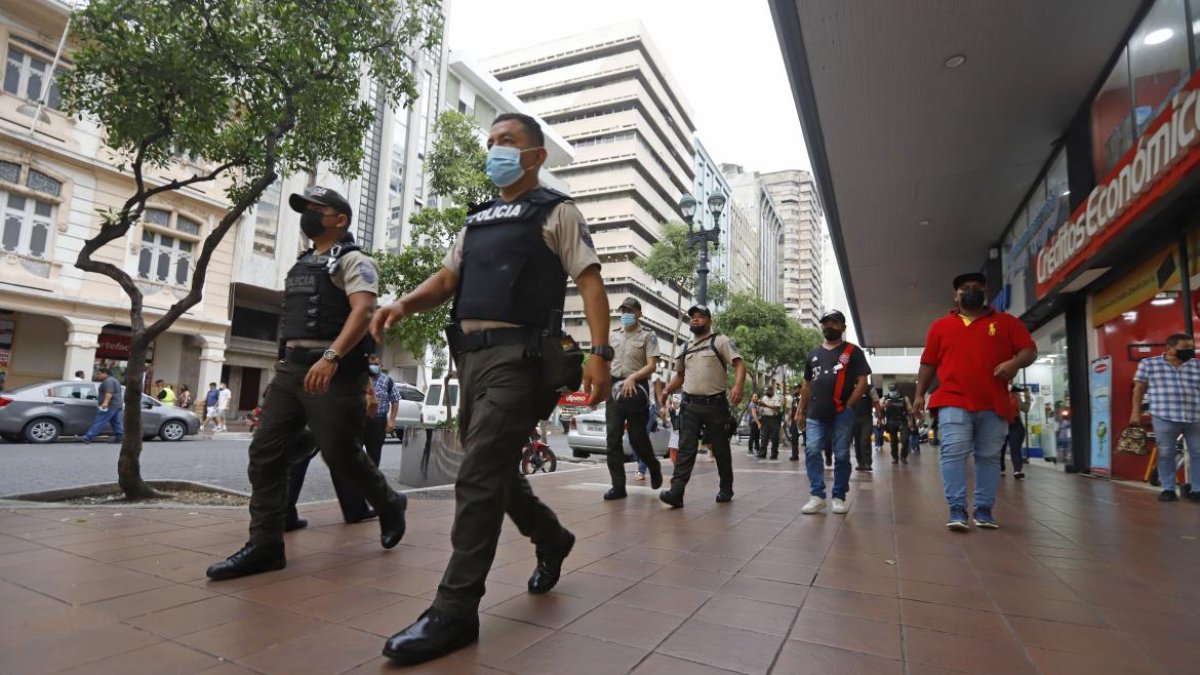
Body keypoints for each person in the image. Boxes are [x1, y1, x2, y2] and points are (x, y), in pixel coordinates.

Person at [372, 113, 612, 665]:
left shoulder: (557, 212)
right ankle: (551, 537)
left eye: (507, 141)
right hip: (471, 360)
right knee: (494, 468)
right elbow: (447, 280)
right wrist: (404, 303)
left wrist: (600, 355)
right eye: (491, 142)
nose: (495, 150)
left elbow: (590, 282)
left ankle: (455, 609)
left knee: (478, 473)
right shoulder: (477, 221)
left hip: (521, 359)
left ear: (536, 156)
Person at [206, 184, 409, 582]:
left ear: (340, 219)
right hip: (291, 370)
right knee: (265, 452)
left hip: (334, 370)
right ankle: (265, 545)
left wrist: (331, 358)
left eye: (317, 209)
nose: (308, 215)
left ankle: (389, 502)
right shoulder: (302, 263)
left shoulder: (355, 261)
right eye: (306, 209)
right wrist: (282, 366)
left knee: (341, 454)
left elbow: (364, 311)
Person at [914, 272, 1036, 531]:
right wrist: (919, 394)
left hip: (994, 402)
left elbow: (1029, 350)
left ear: (985, 293)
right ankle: (957, 509)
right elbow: (928, 363)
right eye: (965, 287)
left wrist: (1014, 363)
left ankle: (984, 510)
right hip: (952, 400)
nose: (971, 290)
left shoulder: (1006, 322)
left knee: (989, 457)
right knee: (953, 452)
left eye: (977, 287)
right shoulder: (940, 327)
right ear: (955, 295)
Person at [658, 304, 746, 508]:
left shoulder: (720, 341)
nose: (695, 319)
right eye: (692, 317)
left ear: (709, 320)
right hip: (690, 406)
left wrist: (738, 386)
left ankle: (726, 488)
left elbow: (739, 363)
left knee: (720, 449)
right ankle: (676, 492)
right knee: (685, 449)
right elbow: (680, 376)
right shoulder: (685, 347)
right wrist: (666, 390)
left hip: (715, 406)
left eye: (700, 316)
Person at [795, 310, 870, 515]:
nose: (829, 326)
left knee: (842, 454)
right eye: (826, 323)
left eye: (834, 323)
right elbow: (806, 384)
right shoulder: (813, 354)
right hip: (815, 413)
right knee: (812, 450)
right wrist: (801, 410)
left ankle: (838, 496)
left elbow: (863, 381)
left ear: (843, 327)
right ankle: (817, 496)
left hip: (841, 413)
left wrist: (850, 404)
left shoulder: (852, 352)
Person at [604, 296, 662, 499]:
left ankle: (653, 465)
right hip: (614, 388)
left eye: (629, 311)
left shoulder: (648, 335)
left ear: (639, 314)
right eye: (623, 310)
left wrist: (632, 378)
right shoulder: (613, 335)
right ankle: (618, 486)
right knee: (612, 438)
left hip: (637, 388)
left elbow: (652, 365)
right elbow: (606, 363)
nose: (625, 314)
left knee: (637, 438)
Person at [1130, 333, 1200, 502]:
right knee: (1166, 453)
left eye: (1191, 347)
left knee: (1198, 452)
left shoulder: (1196, 365)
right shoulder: (1149, 364)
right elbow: (1139, 389)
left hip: (1195, 415)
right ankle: (1168, 488)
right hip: (1164, 415)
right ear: (1169, 348)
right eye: (1185, 347)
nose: (1190, 350)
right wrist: (1135, 412)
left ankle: (1198, 490)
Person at [366, 355, 400, 470]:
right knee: (354, 453)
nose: (373, 366)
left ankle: (371, 478)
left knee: (374, 454)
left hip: (378, 421)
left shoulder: (387, 380)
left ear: (381, 365)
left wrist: (392, 421)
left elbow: (395, 401)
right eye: (370, 364)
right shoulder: (360, 378)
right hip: (359, 421)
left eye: (376, 364)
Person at [81, 367, 123, 444]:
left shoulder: (108, 381)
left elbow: (109, 392)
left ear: (105, 373)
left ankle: (88, 437)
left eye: (99, 374)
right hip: (117, 404)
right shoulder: (114, 380)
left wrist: (105, 403)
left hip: (110, 405)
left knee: (100, 420)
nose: (98, 376)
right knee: (116, 422)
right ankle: (119, 438)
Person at [1001, 385, 1030, 479]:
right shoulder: (998, 393)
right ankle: (1001, 468)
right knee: (1000, 448)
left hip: (1015, 423)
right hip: (1002, 422)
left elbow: (1025, 409)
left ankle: (1017, 470)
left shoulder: (1015, 395)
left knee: (1015, 447)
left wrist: (1027, 396)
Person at [852, 382, 882, 472]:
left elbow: (876, 402)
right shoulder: (849, 387)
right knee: (857, 441)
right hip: (854, 418)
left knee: (865, 439)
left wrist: (879, 417)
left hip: (866, 418)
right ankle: (860, 463)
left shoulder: (869, 388)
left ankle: (867, 463)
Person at [882, 383, 912, 464]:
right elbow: (879, 407)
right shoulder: (885, 398)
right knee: (893, 441)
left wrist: (911, 422)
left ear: (897, 389)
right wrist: (885, 405)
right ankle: (895, 458)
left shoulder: (904, 398)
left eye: (894, 389)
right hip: (891, 421)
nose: (893, 391)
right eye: (891, 389)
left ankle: (903, 457)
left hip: (903, 421)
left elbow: (909, 411)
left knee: (905, 440)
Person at [757, 384, 783, 459]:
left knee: (774, 437)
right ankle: (762, 453)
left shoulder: (777, 398)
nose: (767, 393)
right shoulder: (764, 398)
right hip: (765, 419)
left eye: (768, 391)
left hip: (774, 419)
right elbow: (761, 408)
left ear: (771, 391)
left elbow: (777, 407)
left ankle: (774, 454)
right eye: (766, 391)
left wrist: (766, 405)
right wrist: (759, 405)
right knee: (764, 437)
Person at [788, 383, 803, 461]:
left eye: (797, 388)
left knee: (808, 438)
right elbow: (791, 409)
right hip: (795, 420)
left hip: (804, 419)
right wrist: (789, 419)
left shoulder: (805, 396)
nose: (795, 390)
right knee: (794, 438)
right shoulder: (794, 398)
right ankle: (795, 455)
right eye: (795, 388)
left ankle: (811, 456)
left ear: (800, 388)